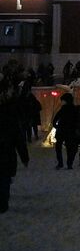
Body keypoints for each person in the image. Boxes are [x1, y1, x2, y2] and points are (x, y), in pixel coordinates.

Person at [0, 80, 30, 213]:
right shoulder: (10, 114)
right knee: (4, 178)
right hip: (6, 152)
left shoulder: (11, 111)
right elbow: (18, 138)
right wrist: (24, 157)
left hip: (6, 152)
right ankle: (3, 203)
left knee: (4, 178)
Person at [51, 92, 80, 169]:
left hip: (62, 130)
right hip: (71, 130)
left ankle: (60, 163)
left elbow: (56, 119)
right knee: (70, 148)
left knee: (59, 147)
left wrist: (56, 126)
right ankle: (69, 163)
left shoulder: (63, 109)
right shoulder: (75, 109)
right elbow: (78, 120)